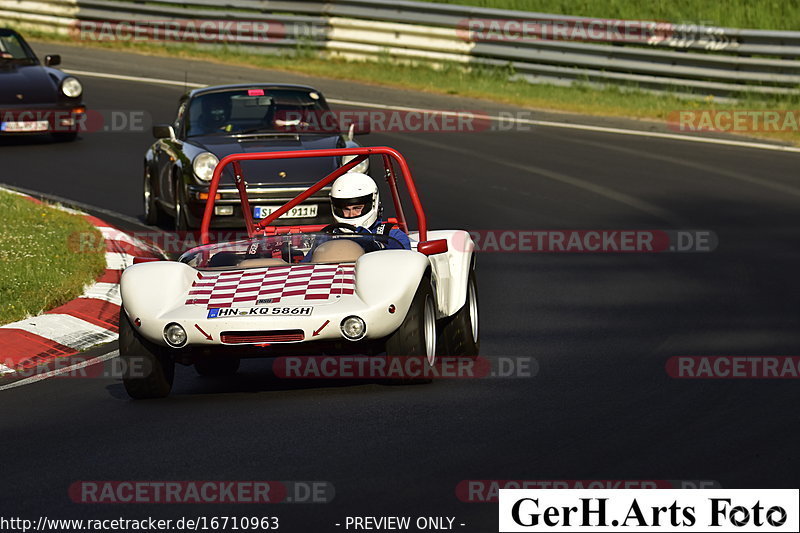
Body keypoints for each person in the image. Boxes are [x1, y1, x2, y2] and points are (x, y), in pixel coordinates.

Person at [328, 171, 411, 250]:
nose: (351, 215)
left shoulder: (392, 236)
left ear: (373, 204)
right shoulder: (329, 238)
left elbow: (404, 261)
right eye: (346, 209)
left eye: (357, 208)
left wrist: (375, 246)